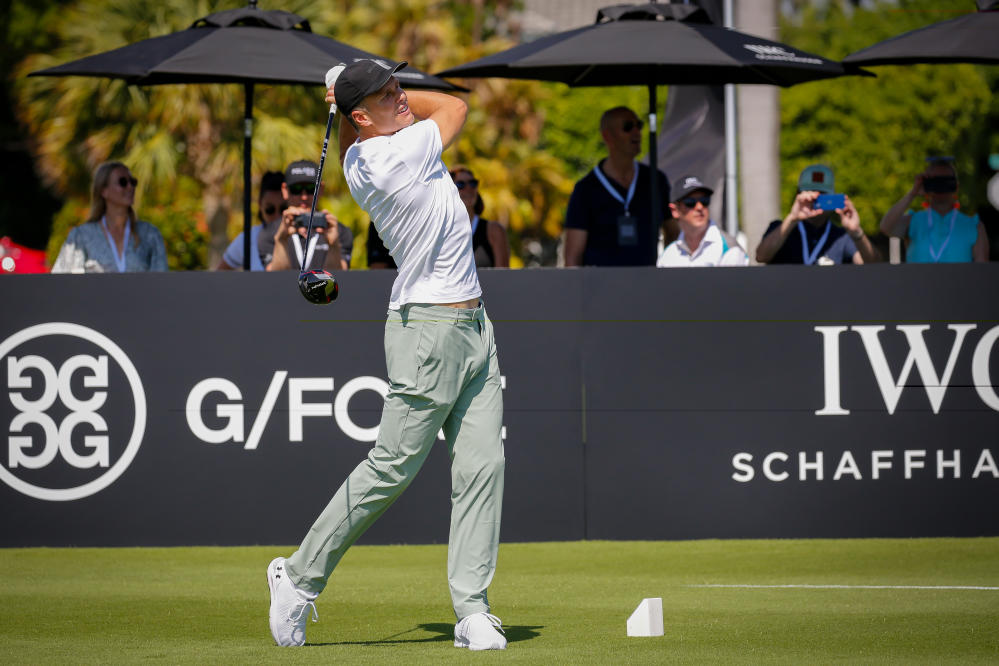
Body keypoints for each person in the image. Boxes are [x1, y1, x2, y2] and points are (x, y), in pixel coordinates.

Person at [266, 60, 507, 652]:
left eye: (398, 86)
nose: (402, 97)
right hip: (427, 329)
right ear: (360, 114)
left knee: (483, 469)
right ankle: (296, 577)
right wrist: (389, 96)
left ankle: (472, 609)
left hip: (475, 325)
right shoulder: (392, 156)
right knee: (392, 466)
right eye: (387, 94)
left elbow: (362, 126)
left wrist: (357, 93)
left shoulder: (358, 149)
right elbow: (454, 106)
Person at [563, 106, 671, 266]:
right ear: (607, 136)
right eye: (628, 127)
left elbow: (673, 232)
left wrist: (667, 275)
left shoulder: (656, 180)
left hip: (648, 285)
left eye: (639, 125)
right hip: (601, 287)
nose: (637, 132)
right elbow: (573, 256)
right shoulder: (586, 189)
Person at [51, 161, 167, 273]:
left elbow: (162, 284)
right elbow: (61, 281)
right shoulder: (81, 236)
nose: (130, 187)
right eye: (123, 182)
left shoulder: (150, 234)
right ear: (104, 191)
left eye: (133, 182)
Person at [756, 164, 878, 265]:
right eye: (810, 194)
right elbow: (761, 256)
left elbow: (872, 265)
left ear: (832, 198)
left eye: (822, 195)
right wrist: (792, 218)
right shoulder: (780, 229)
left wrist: (856, 231)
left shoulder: (841, 237)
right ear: (799, 195)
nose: (814, 200)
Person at [879, 157, 989, 263]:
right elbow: (886, 228)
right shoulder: (913, 221)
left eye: (946, 181)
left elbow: (980, 272)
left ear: (956, 186)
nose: (941, 185)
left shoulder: (974, 226)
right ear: (926, 184)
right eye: (936, 181)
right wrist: (912, 193)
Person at [266, 160, 353, 272]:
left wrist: (333, 245)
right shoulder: (269, 232)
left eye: (311, 189)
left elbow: (338, 279)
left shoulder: (339, 231)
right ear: (285, 190)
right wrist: (281, 239)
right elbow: (274, 280)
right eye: (296, 189)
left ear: (321, 189)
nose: (304, 196)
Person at [657, 175, 748, 267]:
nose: (699, 207)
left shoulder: (729, 249)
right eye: (690, 202)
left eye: (705, 201)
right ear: (675, 211)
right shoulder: (668, 255)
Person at [216, 171, 286, 270]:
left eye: (283, 209)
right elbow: (220, 272)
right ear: (260, 205)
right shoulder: (249, 238)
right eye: (269, 209)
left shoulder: (302, 236)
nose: (277, 216)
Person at [450, 165, 510, 268]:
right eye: (460, 184)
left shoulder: (494, 230)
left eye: (473, 183)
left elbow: (503, 277)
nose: (468, 188)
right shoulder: (440, 231)